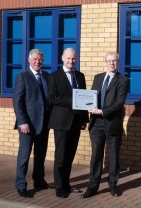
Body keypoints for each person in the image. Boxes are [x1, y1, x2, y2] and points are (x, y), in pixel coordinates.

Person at [81, 52, 129, 198]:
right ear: (105, 62)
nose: (111, 63)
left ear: (118, 62)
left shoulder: (123, 80)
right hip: (96, 124)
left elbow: (119, 103)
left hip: (112, 122)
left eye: (114, 61)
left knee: (113, 155)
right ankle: (92, 186)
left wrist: (101, 111)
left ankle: (112, 185)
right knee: (96, 155)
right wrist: (84, 104)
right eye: (109, 61)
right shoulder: (98, 77)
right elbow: (91, 96)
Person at [48, 48, 89, 198]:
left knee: (70, 156)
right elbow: (52, 97)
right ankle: (59, 187)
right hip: (61, 122)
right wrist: (74, 100)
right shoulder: (54, 76)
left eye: (73, 59)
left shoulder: (80, 76)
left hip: (76, 122)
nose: (71, 61)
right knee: (61, 156)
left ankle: (66, 184)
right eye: (68, 58)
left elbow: (84, 98)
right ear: (62, 58)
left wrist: (84, 119)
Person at [13, 49, 50, 198]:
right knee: (24, 157)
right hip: (27, 125)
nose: (37, 62)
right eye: (34, 59)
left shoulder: (46, 76)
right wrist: (22, 122)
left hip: (44, 124)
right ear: (29, 60)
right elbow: (17, 102)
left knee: (40, 156)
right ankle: (21, 185)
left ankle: (39, 180)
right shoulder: (22, 77)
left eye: (40, 59)